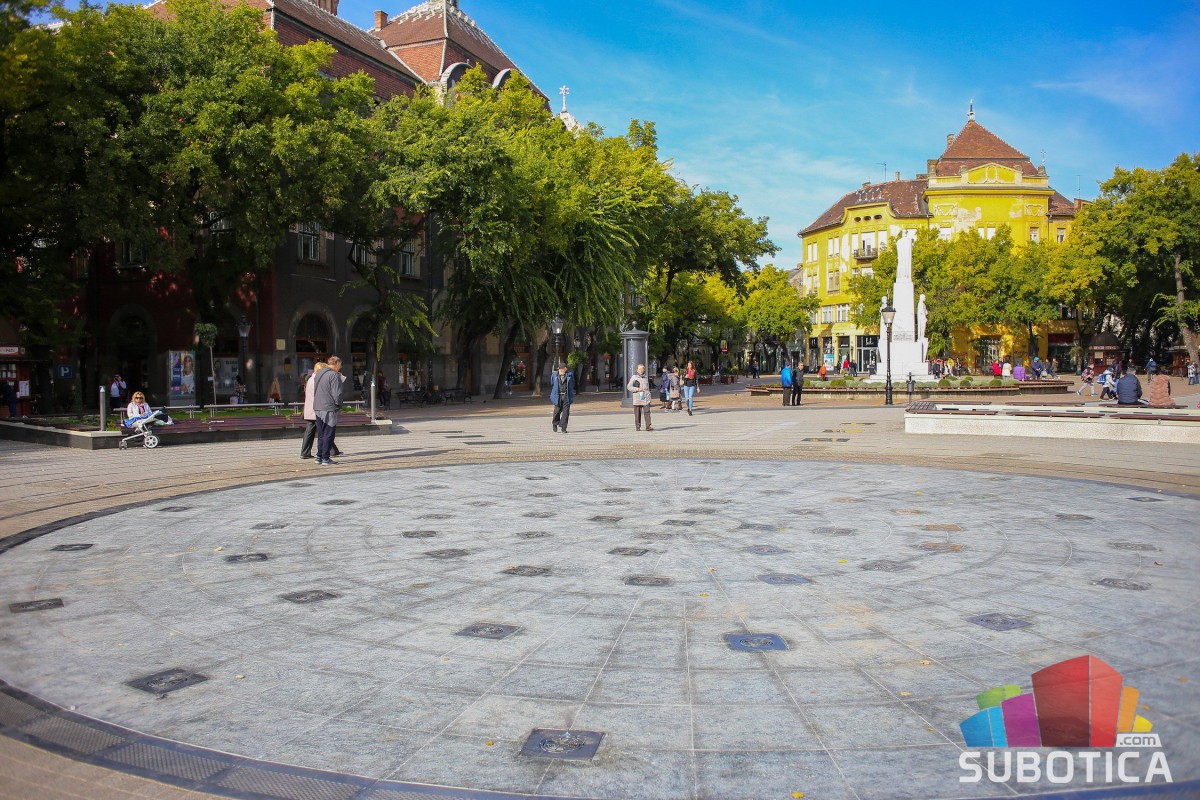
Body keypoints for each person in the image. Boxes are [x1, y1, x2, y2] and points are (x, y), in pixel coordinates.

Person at [312, 355, 344, 465]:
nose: (340, 367)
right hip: (329, 407)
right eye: (340, 365)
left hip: (318, 406)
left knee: (321, 433)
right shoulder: (333, 375)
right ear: (337, 364)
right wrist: (339, 404)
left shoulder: (319, 373)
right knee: (328, 433)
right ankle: (325, 457)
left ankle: (319, 456)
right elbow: (337, 394)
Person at [627, 363, 653, 431]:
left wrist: (649, 396)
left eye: (642, 369)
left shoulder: (646, 377)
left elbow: (647, 388)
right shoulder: (634, 377)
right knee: (637, 413)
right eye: (639, 369)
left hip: (645, 397)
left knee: (647, 411)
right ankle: (638, 426)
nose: (641, 370)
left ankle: (648, 426)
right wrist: (637, 389)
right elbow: (629, 387)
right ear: (637, 370)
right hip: (637, 397)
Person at [550, 363, 574, 433]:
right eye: (559, 369)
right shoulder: (554, 375)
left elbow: (572, 384)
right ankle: (555, 424)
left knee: (566, 412)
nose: (560, 370)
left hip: (566, 395)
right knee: (557, 411)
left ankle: (564, 427)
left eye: (562, 369)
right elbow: (552, 383)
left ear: (565, 369)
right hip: (558, 395)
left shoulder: (570, 375)